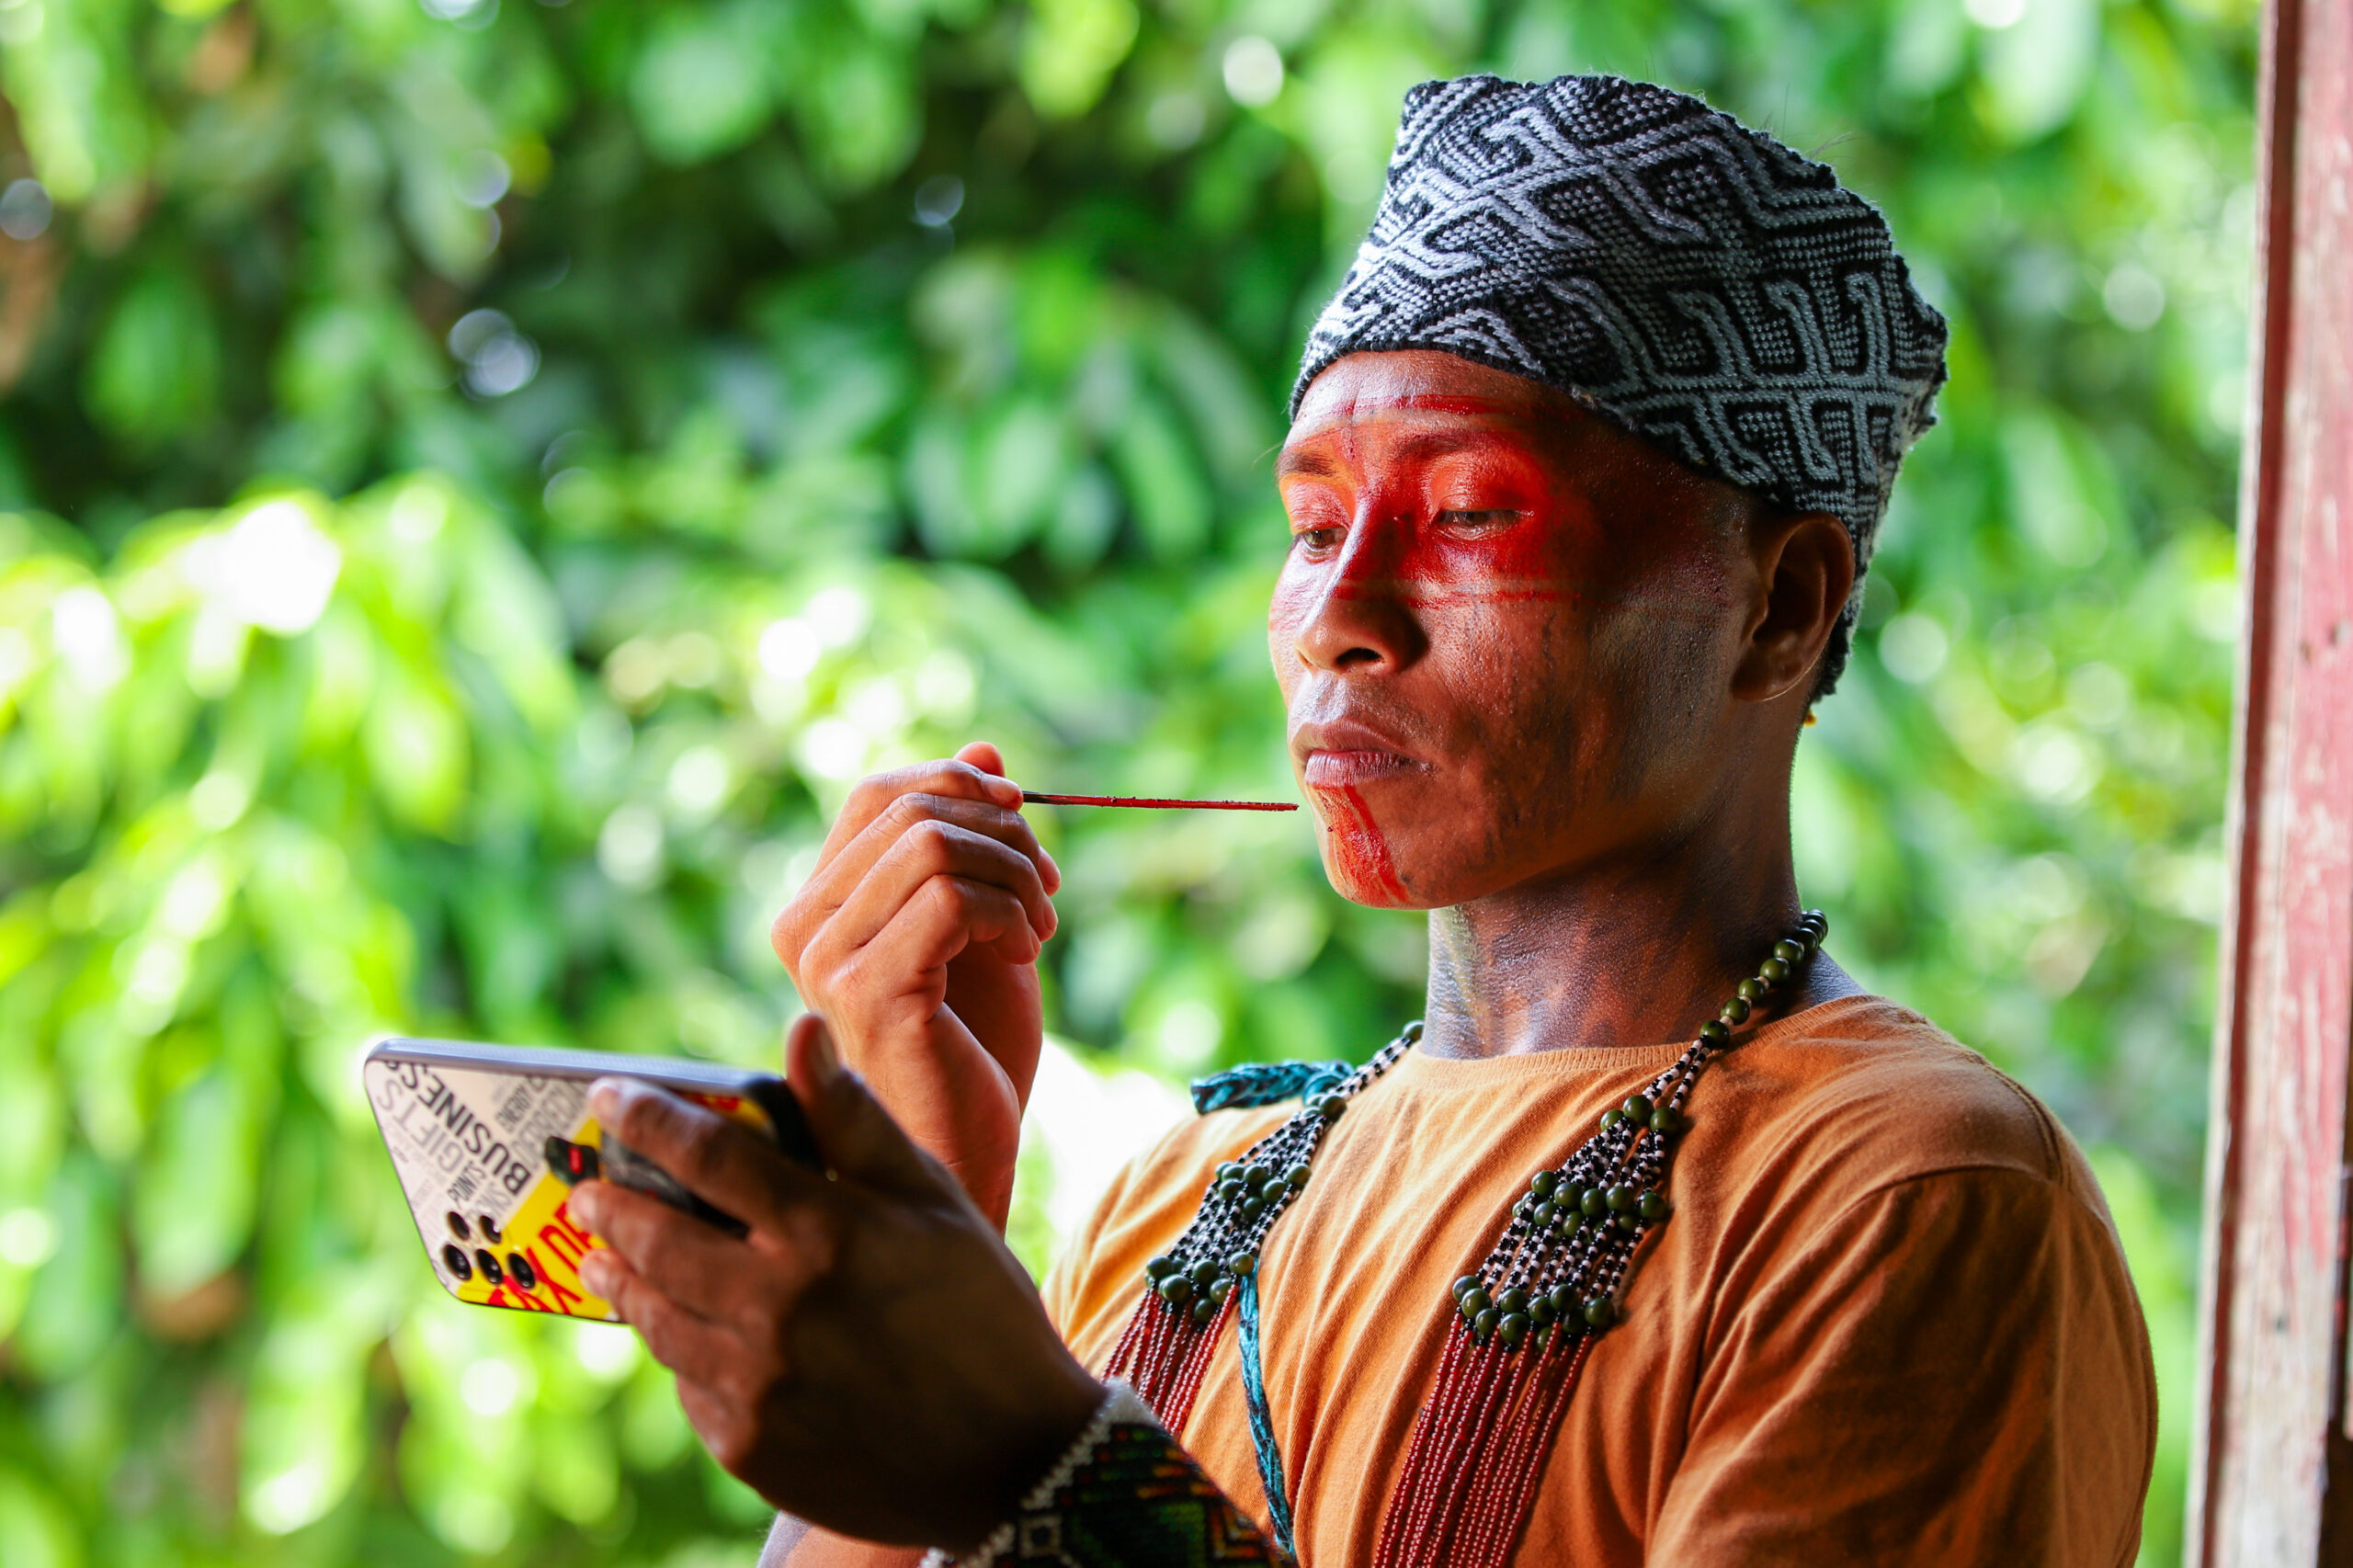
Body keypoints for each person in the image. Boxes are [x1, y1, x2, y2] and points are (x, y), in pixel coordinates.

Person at [562, 74, 2155, 1567]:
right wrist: (923, 1194)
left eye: (1464, 511)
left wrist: (1041, 1469)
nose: (1337, 612)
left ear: (1779, 611)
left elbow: (1038, 1480)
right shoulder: (1183, 1194)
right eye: (1314, 522)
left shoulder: (1905, 1197)